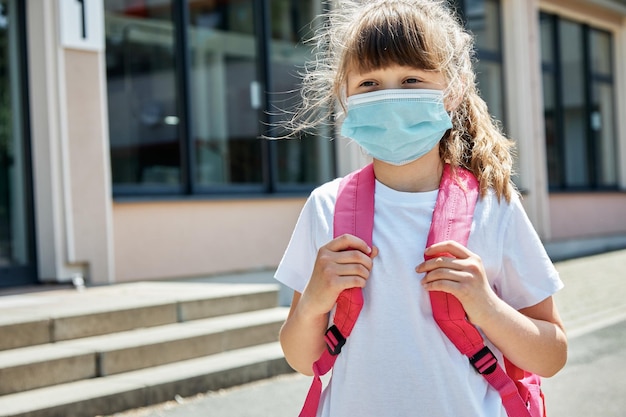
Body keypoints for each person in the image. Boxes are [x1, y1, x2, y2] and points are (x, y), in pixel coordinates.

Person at [274, 1, 568, 416]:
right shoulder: (326, 207)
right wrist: (313, 303)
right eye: (369, 84)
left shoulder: (494, 205)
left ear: (454, 90)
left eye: (411, 79)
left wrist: (487, 306)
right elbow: (302, 360)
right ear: (344, 95)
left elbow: (551, 355)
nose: (390, 97)